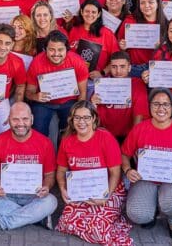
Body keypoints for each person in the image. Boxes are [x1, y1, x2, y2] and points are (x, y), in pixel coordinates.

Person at [121, 88, 172, 240]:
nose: (161, 108)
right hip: (146, 179)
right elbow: (124, 154)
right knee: (137, 213)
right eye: (156, 104)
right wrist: (128, 169)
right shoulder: (140, 128)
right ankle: (151, 209)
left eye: (166, 104)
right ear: (149, 106)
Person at [55, 101, 133, 246]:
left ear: (94, 119)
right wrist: (62, 189)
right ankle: (101, 220)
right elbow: (61, 171)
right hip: (80, 190)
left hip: (111, 190)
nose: (81, 122)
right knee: (65, 223)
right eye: (77, 118)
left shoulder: (106, 138)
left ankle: (115, 220)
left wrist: (106, 196)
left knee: (98, 229)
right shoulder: (67, 141)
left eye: (86, 117)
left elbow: (115, 173)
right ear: (71, 120)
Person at [0, 102, 58, 232]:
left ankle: (1, 223)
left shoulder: (45, 143)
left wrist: (46, 187)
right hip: (6, 195)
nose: (20, 124)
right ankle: (37, 217)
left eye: (25, 119)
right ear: (9, 120)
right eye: (15, 119)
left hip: (34, 196)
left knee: (51, 201)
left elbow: (49, 175)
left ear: (32, 119)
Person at [25, 30, 89, 137]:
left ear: (67, 50)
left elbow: (82, 93)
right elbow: (28, 92)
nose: (56, 54)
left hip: (69, 101)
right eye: (51, 50)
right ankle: (43, 152)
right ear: (45, 50)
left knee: (71, 130)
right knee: (38, 130)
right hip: (44, 103)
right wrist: (35, 96)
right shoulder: (36, 62)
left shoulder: (77, 61)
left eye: (60, 50)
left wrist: (79, 112)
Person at [90, 51, 149, 140]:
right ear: (110, 68)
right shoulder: (101, 84)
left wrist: (133, 140)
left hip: (128, 136)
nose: (118, 71)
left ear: (129, 68)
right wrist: (93, 104)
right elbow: (94, 118)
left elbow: (139, 115)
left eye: (122, 66)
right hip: (104, 135)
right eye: (114, 67)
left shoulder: (138, 84)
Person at [68, 0, 119, 78]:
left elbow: (117, 58)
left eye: (94, 12)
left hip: (98, 80)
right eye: (87, 11)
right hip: (76, 78)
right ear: (81, 12)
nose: (90, 14)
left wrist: (102, 73)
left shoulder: (107, 33)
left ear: (98, 14)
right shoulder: (74, 30)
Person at [118, 0, 167, 69]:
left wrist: (161, 48)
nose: (146, 6)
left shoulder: (166, 24)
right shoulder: (130, 20)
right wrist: (122, 47)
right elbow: (119, 46)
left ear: (158, 3)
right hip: (133, 68)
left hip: (156, 69)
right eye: (142, 3)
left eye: (150, 2)